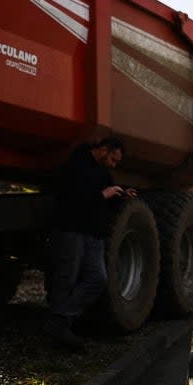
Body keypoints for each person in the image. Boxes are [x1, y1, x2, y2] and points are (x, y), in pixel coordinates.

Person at [44, 137, 135, 351]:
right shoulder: (76, 164)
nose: (113, 165)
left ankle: (59, 318)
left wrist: (120, 195)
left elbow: (103, 197)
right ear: (103, 149)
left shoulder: (102, 171)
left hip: (94, 234)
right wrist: (103, 194)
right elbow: (71, 197)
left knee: (98, 279)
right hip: (71, 230)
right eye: (112, 159)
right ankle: (61, 329)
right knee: (66, 277)